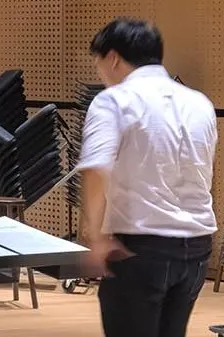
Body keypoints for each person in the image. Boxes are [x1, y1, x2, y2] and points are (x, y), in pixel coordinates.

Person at [77, 18, 216, 337]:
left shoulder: (114, 100)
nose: (101, 73)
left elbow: (96, 168)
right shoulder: (200, 103)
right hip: (196, 249)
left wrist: (96, 237)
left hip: (141, 248)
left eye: (99, 63)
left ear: (112, 57)